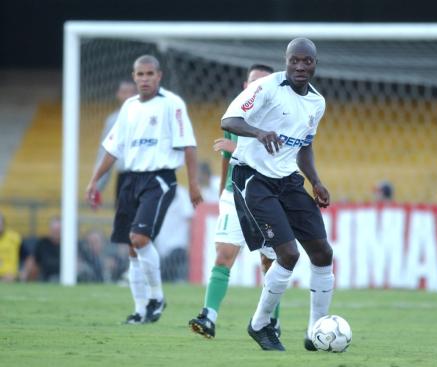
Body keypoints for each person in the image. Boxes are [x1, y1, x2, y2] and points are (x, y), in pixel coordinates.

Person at [221, 38, 333, 352]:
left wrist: (316, 182)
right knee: (288, 254)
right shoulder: (267, 87)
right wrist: (258, 131)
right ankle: (259, 325)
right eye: (294, 61)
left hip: (288, 180)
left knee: (323, 253)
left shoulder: (316, 103)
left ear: (314, 63)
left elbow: (305, 146)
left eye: (306, 61)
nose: (300, 67)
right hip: (253, 179)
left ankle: (317, 333)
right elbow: (228, 120)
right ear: (286, 61)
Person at [85, 55, 203, 324]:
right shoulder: (129, 107)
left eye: (150, 74)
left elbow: (189, 145)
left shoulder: (172, 104)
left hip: (159, 179)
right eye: (140, 74)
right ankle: (140, 311)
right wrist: (94, 181)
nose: (145, 79)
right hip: (130, 180)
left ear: (159, 76)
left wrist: (194, 183)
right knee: (131, 247)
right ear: (135, 75)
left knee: (139, 238)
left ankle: (157, 298)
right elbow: (112, 149)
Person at [189, 64, 279, 339]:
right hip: (234, 194)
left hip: (266, 195)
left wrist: (238, 147)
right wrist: (221, 193)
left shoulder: (280, 118)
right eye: (253, 83)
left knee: (271, 263)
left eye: (263, 83)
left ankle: (270, 322)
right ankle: (208, 317)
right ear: (245, 86)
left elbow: (278, 159)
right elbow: (226, 160)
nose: (257, 88)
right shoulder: (234, 115)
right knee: (224, 254)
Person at [94, 80, 137, 206]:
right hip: (124, 177)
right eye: (124, 92)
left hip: (146, 176)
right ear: (118, 94)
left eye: (132, 92)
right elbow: (105, 153)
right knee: (123, 222)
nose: (128, 96)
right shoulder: (113, 120)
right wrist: (97, 186)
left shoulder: (149, 116)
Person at [154, 184, 193, 282]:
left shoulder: (181, 194)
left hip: (178, 244)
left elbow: (189, 218)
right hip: (161, 246)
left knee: (164, 273)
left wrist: (190, 243)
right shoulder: (156, 193)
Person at [20, 216, 61, 282]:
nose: (56, 233)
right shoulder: (43, 243)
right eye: (54, 230)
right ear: (50, 230)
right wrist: (26, 272)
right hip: (44, 277)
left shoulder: (69, 246)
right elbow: (33, 259)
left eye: (58, 230)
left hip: (62, 276)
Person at [0, 212, 22, 282]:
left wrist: (24, 272)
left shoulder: (15, 238)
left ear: (3, 224)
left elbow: (27, 256)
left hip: (10, 275)